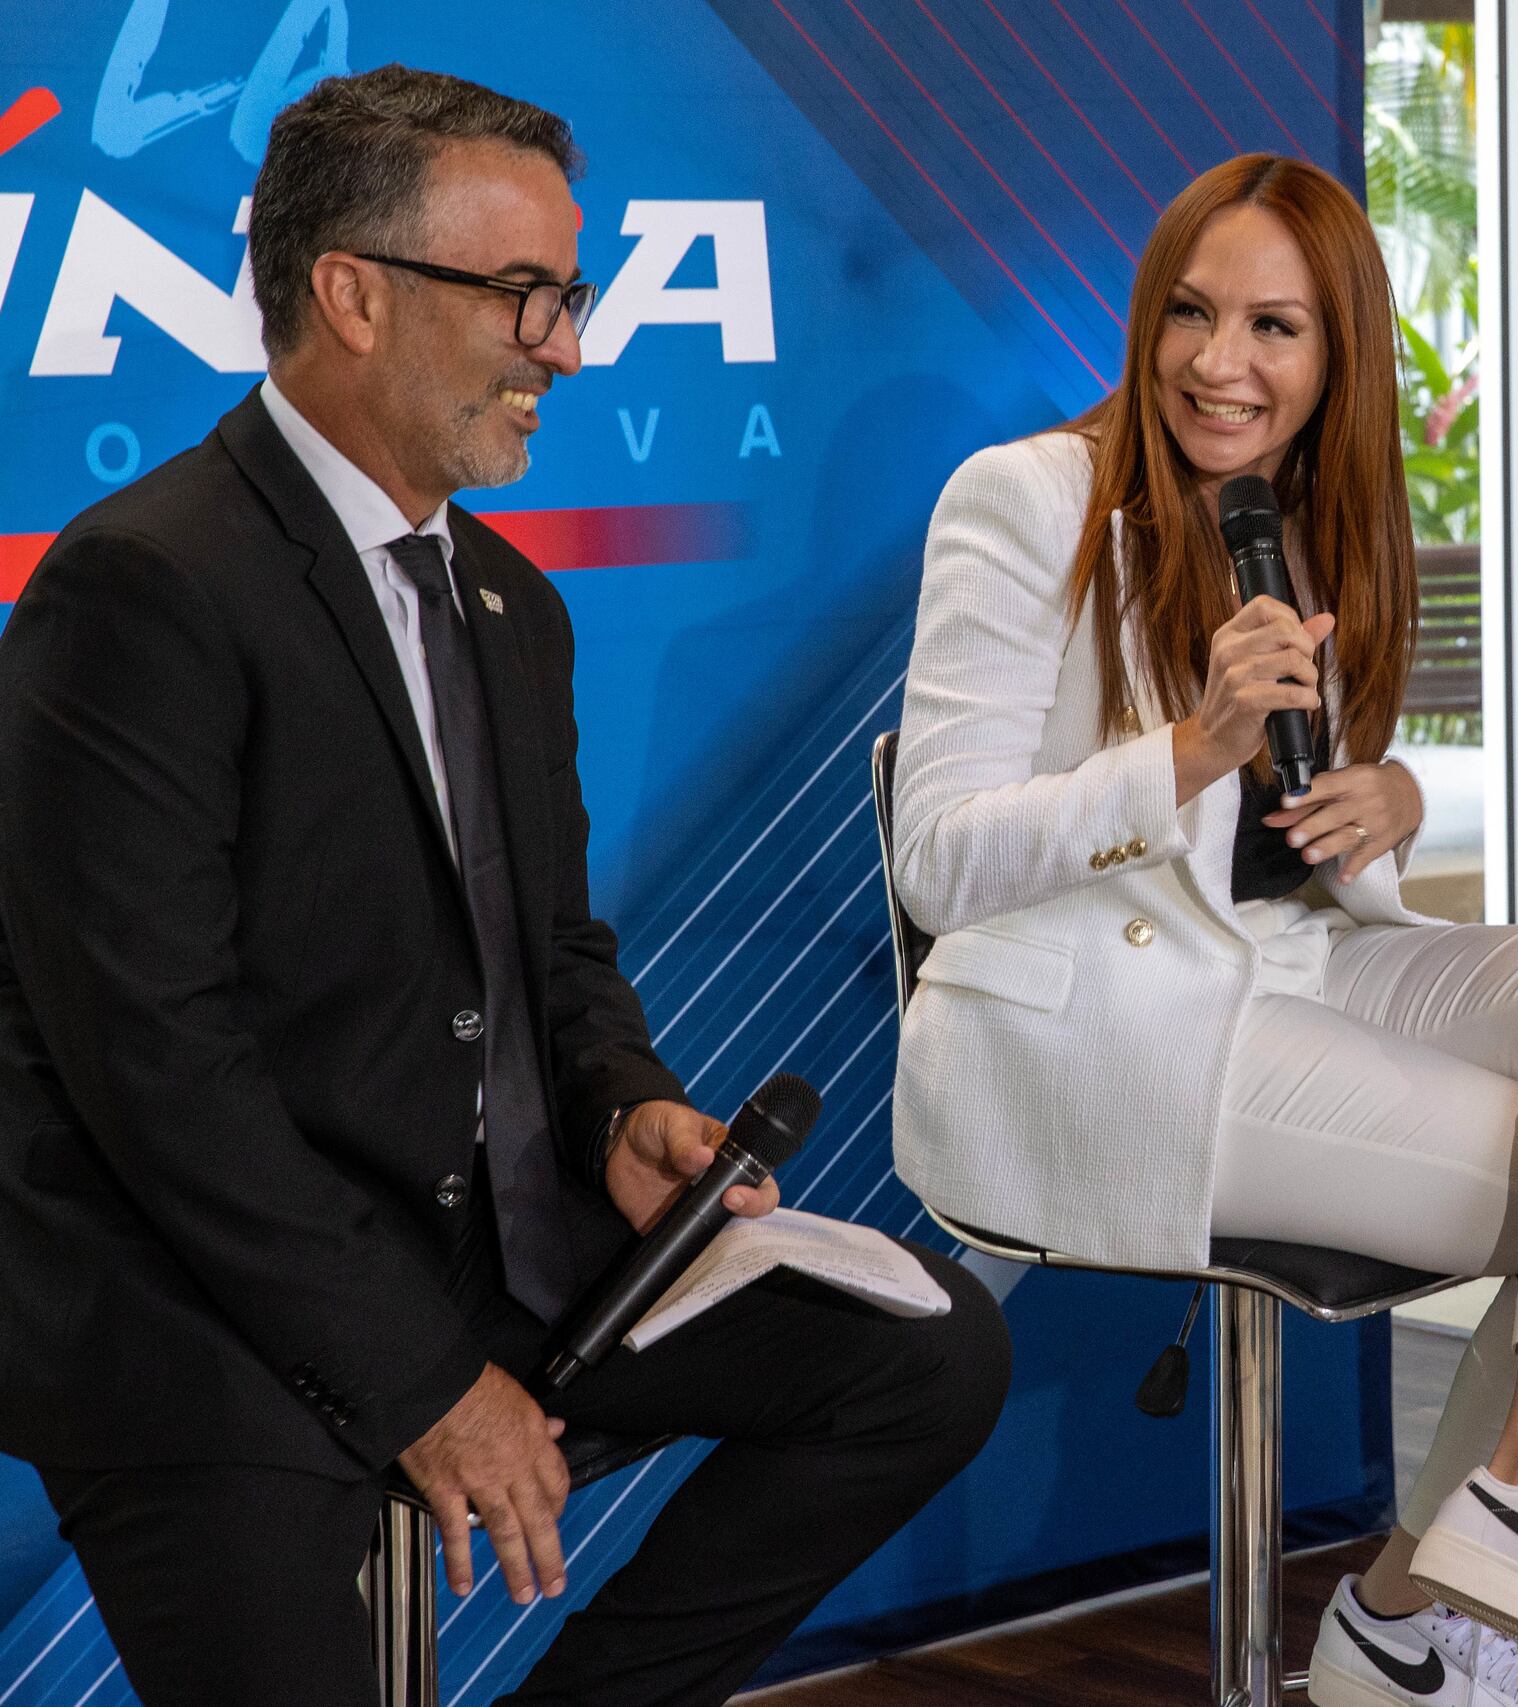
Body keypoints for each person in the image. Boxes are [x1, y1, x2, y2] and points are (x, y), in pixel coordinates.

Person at [0, 66, 1009, 1707]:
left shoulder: (503, 604)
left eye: (573, 294)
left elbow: (552, 950)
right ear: (352, 296)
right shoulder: (143, 588)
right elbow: (156, 1071)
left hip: (487, 1260)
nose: (570, 345)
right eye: (526, 295)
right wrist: (420, 1381)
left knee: (928, 1353)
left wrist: (622, 1113)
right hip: (203, 1319)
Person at [892, 153, 1518, 1707]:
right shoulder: (1026, 500)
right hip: (1103, 1020)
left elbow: (1305, 836)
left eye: (1275, 327)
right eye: (1193, 315)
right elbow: (938, 866)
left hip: (1304, 962)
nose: (1223, 362)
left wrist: (1396, 799)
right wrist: (1191, 753)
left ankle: (1495, 1533)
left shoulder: (1311, 517)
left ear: (1337, 353)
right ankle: (1424, 1600)